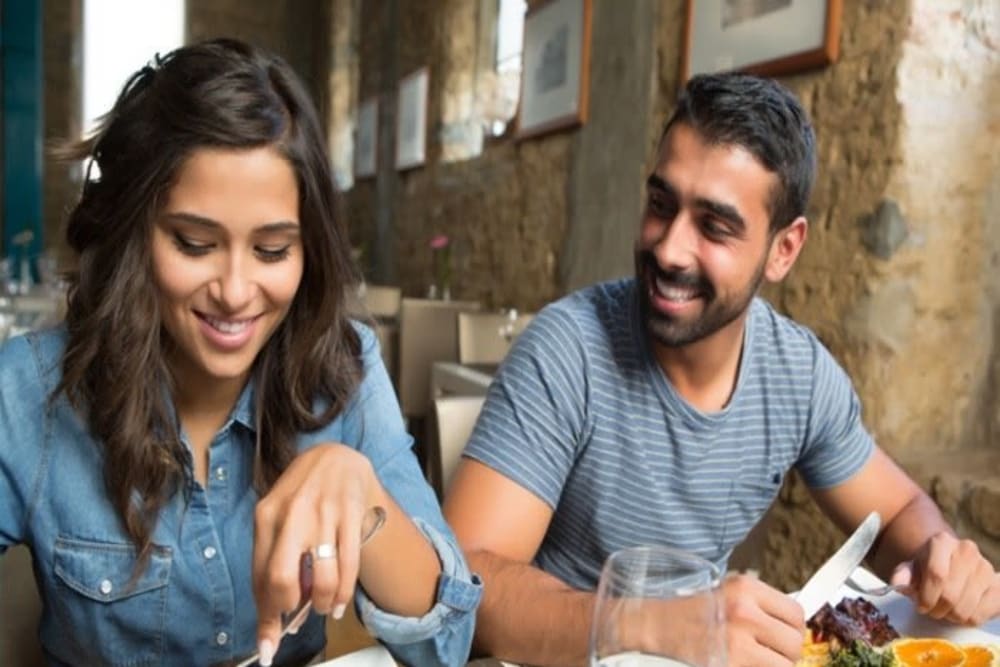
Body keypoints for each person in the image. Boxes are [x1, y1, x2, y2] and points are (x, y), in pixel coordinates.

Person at [443, 72, 1000, 667]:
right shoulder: (566, 349)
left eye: (714, 226)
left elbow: (896, 515)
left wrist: (941, 557)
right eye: (661, 204)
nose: (669, 249)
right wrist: (658, 626)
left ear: (783, 250)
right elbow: (463, 585)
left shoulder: (799, 374)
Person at [0, 39, 480, 667]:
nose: (234, 292)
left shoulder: (346, 372)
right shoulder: (27, 390)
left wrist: (365, 498)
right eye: (194, 244)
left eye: (273, 251)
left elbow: (448, 645)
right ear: (133, 236)